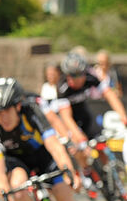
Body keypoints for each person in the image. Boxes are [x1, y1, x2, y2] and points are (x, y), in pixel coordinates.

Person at [54, 53, 127, 181]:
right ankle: (86, 171)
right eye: (72, 75)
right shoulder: (62, 87)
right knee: (77, 146)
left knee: (100, 144)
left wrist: (123, 116)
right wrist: (81, 139)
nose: (76, 79)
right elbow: (66, 118)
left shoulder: (90, 77)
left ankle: (109, 177)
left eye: (79, 75)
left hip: (84, 113)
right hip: (70, 118)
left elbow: (109, 94)